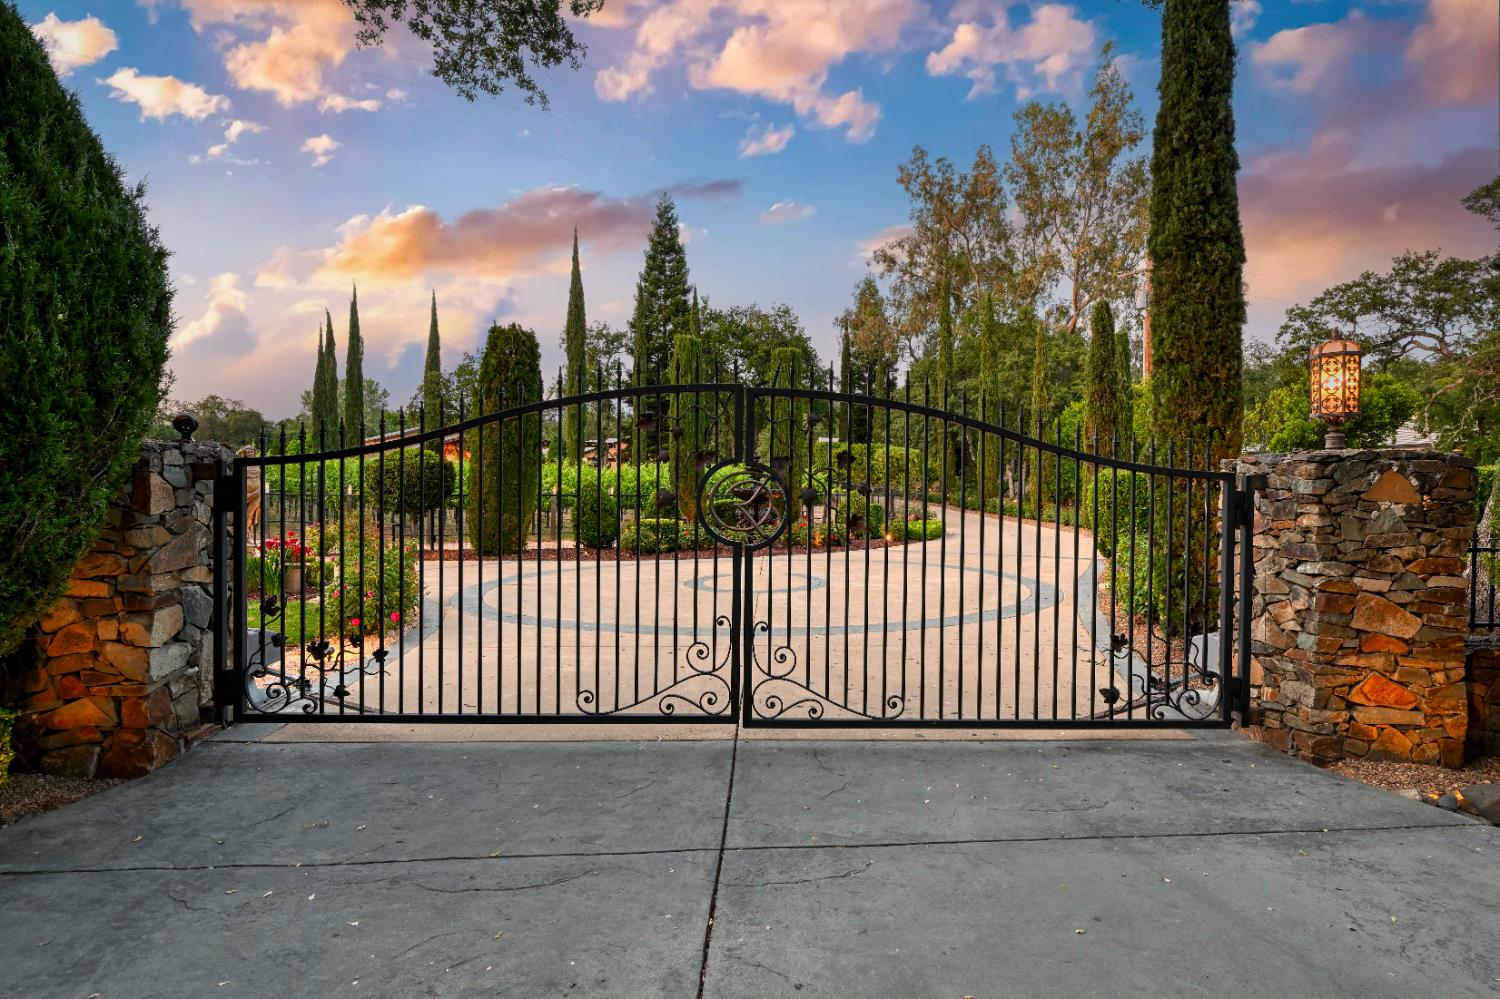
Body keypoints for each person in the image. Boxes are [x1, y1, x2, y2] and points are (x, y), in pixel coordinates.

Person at [238, 444, 263, 542]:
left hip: (257, 491)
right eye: (247, 452)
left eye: (251, 452)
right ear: (244, 454)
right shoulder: (243, 464)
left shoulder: (258, 463)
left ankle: (248, 534)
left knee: (251, 513)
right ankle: (244, 533)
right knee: (242, 511)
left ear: (254, 453)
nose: (249, 454)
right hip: (246, 491)